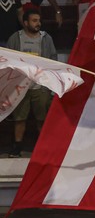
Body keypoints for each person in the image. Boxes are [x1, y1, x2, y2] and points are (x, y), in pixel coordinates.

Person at [7, 9, 57, 158]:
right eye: (34, 21)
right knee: (19, 119)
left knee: (42, 119)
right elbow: (8, 61)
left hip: (40, 86)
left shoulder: (46, 38)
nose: (38, 24)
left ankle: (43, 148)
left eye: (39, 21)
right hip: (20, 86)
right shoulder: (16, 38)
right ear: (25, 22)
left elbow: (53, 59)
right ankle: (17, 147)